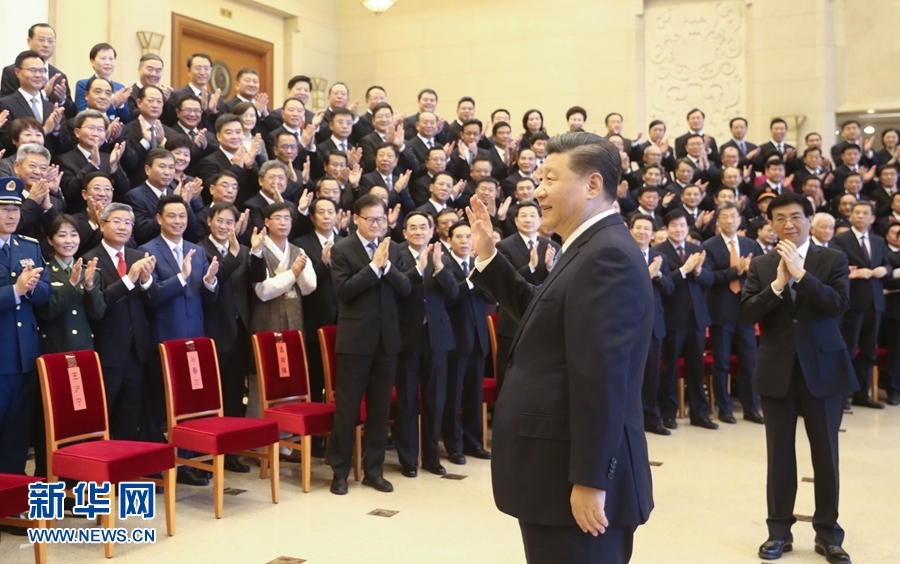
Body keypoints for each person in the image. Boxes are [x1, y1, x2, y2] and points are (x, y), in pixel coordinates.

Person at [467, 132, 653, 563]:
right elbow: (542, 311)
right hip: (553, 474)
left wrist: (591, 481)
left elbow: (602, 379)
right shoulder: (585, 247)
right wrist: (490, 259)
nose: (539, 190)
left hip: (574, 483)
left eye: (550, 178)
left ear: (591, 185)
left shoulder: (606, 257)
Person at [740, 192, 855, 563]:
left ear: (808, 219)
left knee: (826, 457)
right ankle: (778, 533)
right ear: (770, 224)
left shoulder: (833, 258)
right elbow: (745, 314)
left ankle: (828, 535)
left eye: (795, 217)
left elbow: (838, 305)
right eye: (779, 218)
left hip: (824, 370)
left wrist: (801, 276)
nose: (788, 224)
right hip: (777, 371)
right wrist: (776, 285)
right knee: (780, 456)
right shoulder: (760, 264)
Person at [327, 194, 412, 495]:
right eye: (371, 219)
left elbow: (406, 287)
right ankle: (339, 470)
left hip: (387, 341)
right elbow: (344, 291)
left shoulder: (395, 249)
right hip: (355, 343)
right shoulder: (342, 249)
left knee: (378, 410)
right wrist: (373, 268)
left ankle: (373, 471)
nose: (377, 224)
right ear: (356, 219)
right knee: (347, 409)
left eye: (381, 219)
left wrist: (387, 268)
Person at [139, 194, 219, 484]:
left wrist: (210, 283)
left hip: (193, 339)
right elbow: (151, 297)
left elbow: (205, 298)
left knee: (188, 403)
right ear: (159, 219)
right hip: (161, 339)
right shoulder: (146, 251)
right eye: (171, 216)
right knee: (156, 404)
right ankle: (154, 464)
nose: (177, 221)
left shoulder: (197, 251)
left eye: (182, 216)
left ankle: (184, 464)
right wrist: (182, 277)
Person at [81, 202, 158, 441]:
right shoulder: (89, 259)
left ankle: (125, 467)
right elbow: (98, 305)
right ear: (102, 224)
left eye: (128, 223)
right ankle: (98, 469)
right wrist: (129, 279)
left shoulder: (137, 256)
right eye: (117, 221)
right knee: (103, 412)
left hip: (137, 350)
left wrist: (145, 282)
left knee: (130, 412)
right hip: (108, 349)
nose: (123, 227)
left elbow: (153, 300)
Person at [395, 212, 457, 477]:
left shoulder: (442, 256)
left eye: (423, 227)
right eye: (413, 227)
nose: (418, 231)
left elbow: (453, 295)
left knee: (435, 399)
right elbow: (398, 289)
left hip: (437, 338)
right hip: (406, 337)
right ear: (404, 232)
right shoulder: (396, 255)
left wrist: (440, 269)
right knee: (407, 401)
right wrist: (418, 269)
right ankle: (408, 458)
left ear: (432, 230)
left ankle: (432, 456)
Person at [0, 176, 51, 477]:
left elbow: (45, 294)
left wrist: (31, 288)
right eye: (4, 208)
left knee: (17, 433)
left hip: (25, 354)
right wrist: (16, 290)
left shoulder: (27, 246)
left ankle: (12, 500)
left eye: (15, 209)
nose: (10, 215)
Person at [199, 202, 267, 426]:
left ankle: (233, 452)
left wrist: (256, 251)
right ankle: (210, 450)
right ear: (209, 221)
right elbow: (210, 286)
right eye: (219, 221)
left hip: (240, 330)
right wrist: (234, 254)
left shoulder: (243, 249)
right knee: (213, 394)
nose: (224, 226)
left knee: (236, 391)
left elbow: (257, 277)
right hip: (214, 331)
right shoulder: (201, 250)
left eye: (229, 222)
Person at [702, 203, 764, 424]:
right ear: (718, 221)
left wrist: (749, 272)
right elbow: (707, 277)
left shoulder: (751, 244)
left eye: (733, 216)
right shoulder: (709, 245)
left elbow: (760, 274)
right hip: (720, 312)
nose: (730, 220)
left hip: (745, 312)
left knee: (750, 363)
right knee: (721, 363)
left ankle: (751, 407)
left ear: (740, 220)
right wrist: (734, 272)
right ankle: (724, 408)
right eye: (725, 217)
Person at [656, 210, 717, 430]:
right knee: (670, 369)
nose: (679, 229)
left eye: (682, 225)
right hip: (673, 318)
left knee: (696, 368)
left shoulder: (697, 250)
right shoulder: (658, 253)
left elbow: (710, 280)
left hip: (697, 319)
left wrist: (699, 271)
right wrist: (683, 270)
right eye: (674, 225)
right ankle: (668, 414)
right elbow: (665, 286)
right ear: (666, 228)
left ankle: (700, 415)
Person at [831, 201, 891, 409]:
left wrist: (886, 270)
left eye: (865, 213)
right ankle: (841, 395)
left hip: (875, 303)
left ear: (873, 218)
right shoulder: (840, 239)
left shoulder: (878, 240)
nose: (861, 216)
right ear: (851, 216)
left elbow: (887, 263)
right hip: (852, 302)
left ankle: (862, 394)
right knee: (847, 349)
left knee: (868, 351)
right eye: (857, 212)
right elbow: (835, 267)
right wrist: (853, 272)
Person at [442, 222, 493, 465]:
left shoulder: (477, 265)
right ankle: (454, 446)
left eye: (467, 237)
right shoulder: (444, 265)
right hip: (454, 341)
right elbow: (449, 296)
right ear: (449, 240)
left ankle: (474, 442)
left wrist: (482, 276)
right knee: (453, 397)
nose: (464, 241)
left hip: (478, 340)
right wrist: (471, 282)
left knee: (474, 395)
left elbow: (492, 297)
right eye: (459, 237)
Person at [494, 201, 560, 389]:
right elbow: (504, 281)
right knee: (509, 377)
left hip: (543, 318)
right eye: (523, 215)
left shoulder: (552, 245)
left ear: (541, 220)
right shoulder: (504, 246)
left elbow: (560, 282)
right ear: (515, 220)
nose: (528, 220)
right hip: (512, 320)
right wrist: (529, 268)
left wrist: (550, 269)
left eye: (533, 215)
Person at [630, 214, 675, 436]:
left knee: (651, 374)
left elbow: (670, 288)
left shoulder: (659, 257)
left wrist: (658, 276)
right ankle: (630, 419)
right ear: (631, 231)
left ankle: (652, 417)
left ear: (653, 233)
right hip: (628, 322)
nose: (642, 232)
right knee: (629, 373)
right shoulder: (623, 253)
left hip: (654, 324)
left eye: (646, 228)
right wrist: (646, 275)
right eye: (638, 228)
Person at [0, 50, 66, 155]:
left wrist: (56, 130)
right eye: (32, 70)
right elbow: (6, 143)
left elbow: (65, 148)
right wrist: (45, 130)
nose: (38, 75)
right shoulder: (5, 104)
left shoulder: (52, 107)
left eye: (42, 70)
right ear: (17, 72)